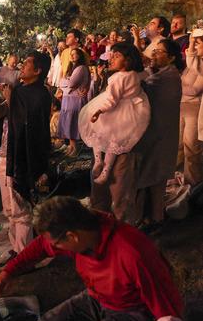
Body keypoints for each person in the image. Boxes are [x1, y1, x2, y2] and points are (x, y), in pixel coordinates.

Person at [0, 197, 183, 321]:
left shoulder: (131, 251)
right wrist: (8, 271)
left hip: (132, 312)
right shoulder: (83, 236)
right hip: (99, 297)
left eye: (57, 244)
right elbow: (41, 246)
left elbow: (165, 303)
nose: (54, 248)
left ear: (72, 236)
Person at [0, 52, 52, 257]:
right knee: (10, 208)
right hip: (7, 153)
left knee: (21, 209)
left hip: (22, 156)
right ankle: (17, 248)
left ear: (38, 71)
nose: (23, 65)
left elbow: (30, 126)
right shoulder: (19, 91)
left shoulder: (40, 94)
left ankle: (25, 255)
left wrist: (12, 99)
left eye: (28, 63)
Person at [79, 43, 150, 185]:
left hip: (114, 111)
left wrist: (99, 111)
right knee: (114, 142)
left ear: (127, 60)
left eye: (117, 56)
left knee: (98, 134)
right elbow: (146, 73)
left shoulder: (117, 78)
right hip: (131, 112)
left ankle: (98, 161)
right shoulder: (135, 75)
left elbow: (111, 100)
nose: (112, 59)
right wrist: (148, 64)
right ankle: (106, 171)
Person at [134, 38, 183, 228]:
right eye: (153, 51)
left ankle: (154, 219)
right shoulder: (162, 73)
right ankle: (154, 217)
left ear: (170, 58)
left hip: (160, 136)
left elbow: (144, 86)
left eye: (159, 52)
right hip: (157, 135)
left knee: (153, 178)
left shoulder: (168, 77)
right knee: (154, 178)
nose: (154, 54)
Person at [179, 26, 203, 186]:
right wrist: (192, 41)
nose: (192, 48)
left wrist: (175, 86)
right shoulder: (193, 65)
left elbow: (194, 90)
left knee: (192, 150)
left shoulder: (199, 67)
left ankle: (193, 187)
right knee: (180, 147)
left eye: (198, 43)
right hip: (182, 107)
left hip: (194, 109)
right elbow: (191, 59)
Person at [57, 48, 91, 157]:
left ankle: (75, 147)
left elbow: (71, 83)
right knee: (68, 123)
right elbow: (61, 82)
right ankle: (71, 147)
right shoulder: (72, 68)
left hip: (75, 100)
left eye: (74, 54)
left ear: (79, 56)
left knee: (72, 122)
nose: (72, 56)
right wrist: (65, 83)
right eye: (71, 54)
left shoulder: (81, 68)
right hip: (69, 99)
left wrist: (64, 83)